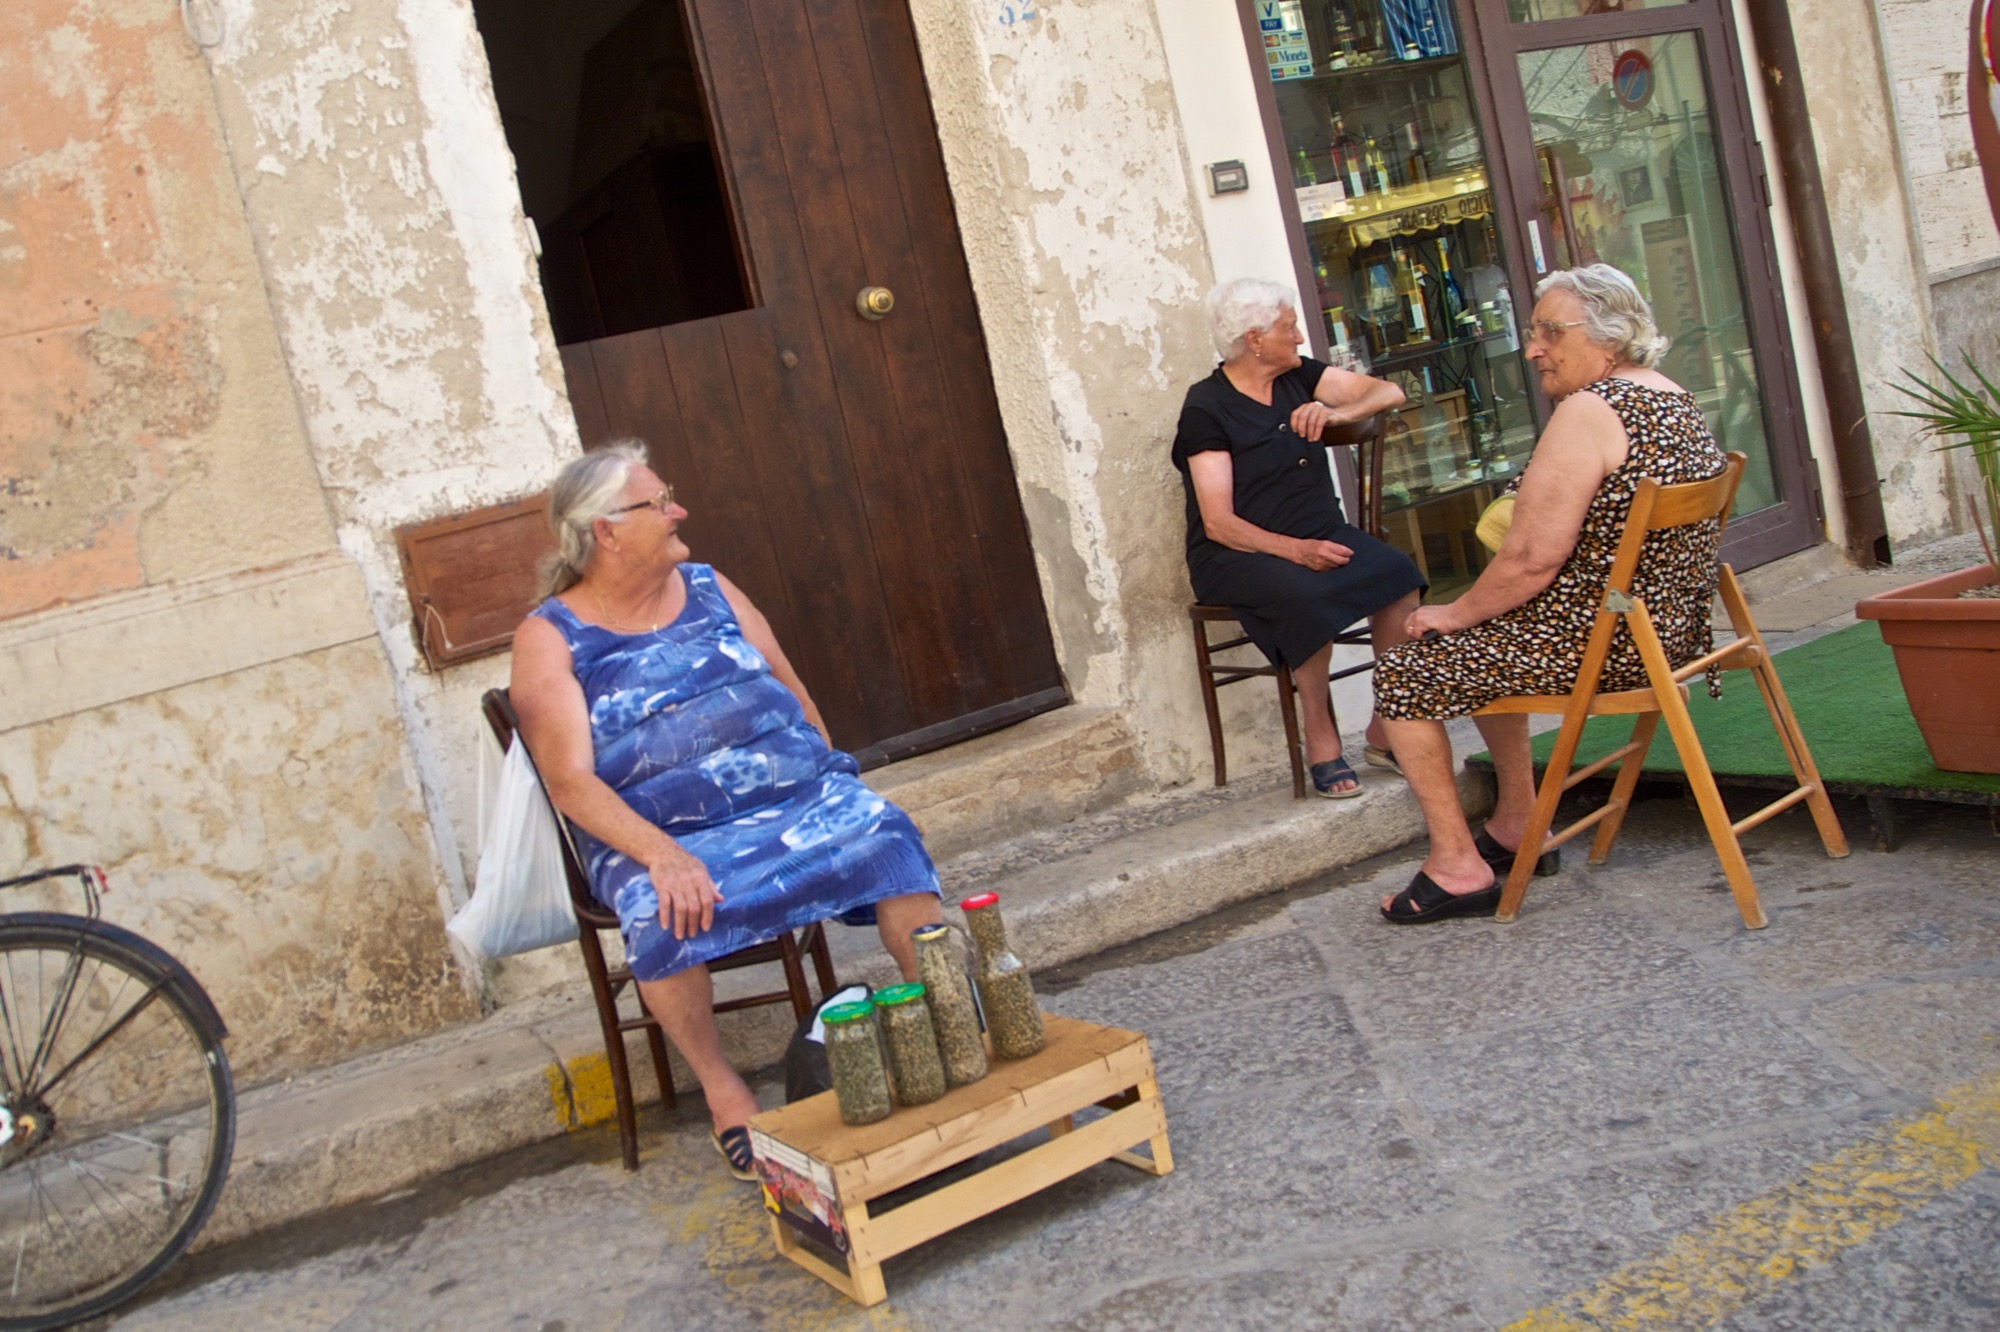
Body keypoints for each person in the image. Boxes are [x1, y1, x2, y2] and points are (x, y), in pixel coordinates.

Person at [509, 442, 943, 1175]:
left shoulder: (708, 585)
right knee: (658, 907)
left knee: (885, 833)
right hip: (660, 835)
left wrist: (830, 778)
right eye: (659, 502)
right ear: (606, 530)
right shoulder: (550, 638)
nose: (679, 511)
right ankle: (724, 1091)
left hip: (792, 798)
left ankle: (950, 1017)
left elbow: (790, 687)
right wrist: (663, 853)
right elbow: (571, 783)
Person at [1371, 264, 1726, 923]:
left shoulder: (1591, 410)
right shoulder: (1672, 397)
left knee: (1405, 669)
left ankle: (1456, 865)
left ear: (1609, 339)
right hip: (1662, 633)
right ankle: (1516, 823)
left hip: (1602, 646)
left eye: (1549, 333)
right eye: (1532, 332)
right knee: (1476, 639)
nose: (1533, 349)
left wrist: (1449, 610)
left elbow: (1531, 560)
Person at [1173, 277, 1427, 797]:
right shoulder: (1206, 408)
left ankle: (1385, 724)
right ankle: (1321, 731)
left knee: (1399, 575)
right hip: (1237, 552)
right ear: (1254, 339)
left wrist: (1338, 412)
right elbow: (1219, 522)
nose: (1300, 340)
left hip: (1320, 533)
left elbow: (1388, 392)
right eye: (1289, 328)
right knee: (1305, 595)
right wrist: (1296, 551)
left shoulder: (1299, 376)